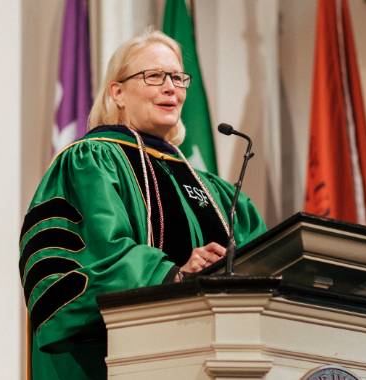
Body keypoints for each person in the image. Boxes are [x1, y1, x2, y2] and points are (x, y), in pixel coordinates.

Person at [19, 29, 266, 379]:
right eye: (154, 76)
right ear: (117, 92)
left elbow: (267, 262)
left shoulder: (219, 194)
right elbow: (90, 257)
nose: (171, 88)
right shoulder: (90, 162)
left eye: (179, 78)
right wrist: (173, 274)